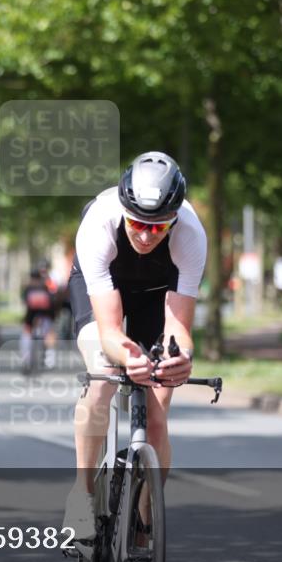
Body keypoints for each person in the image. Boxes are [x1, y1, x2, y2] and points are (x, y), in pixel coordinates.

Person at [65, 151, 207, 539]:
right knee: (103, 375)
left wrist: (181, 357)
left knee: (158, 406)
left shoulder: (191, 234)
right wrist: (128, 357)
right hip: (103, 287)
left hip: (158, 293)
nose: (146, 236)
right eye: (138, 223)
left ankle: (144, 519)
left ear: (174, 219)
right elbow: (110, 329)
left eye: (158, 227)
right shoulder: (99, 223)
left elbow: (178, 327)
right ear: (124, 211)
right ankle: (82, 493)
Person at [21, 267, 58, 371]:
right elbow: (53, 301)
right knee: (49, 335)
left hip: (32, 316)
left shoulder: (28, 288)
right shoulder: (46, 287)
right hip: (46, 316)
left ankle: (26, 360)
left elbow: (25, 302)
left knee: (26, 336)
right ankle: (50, 360)